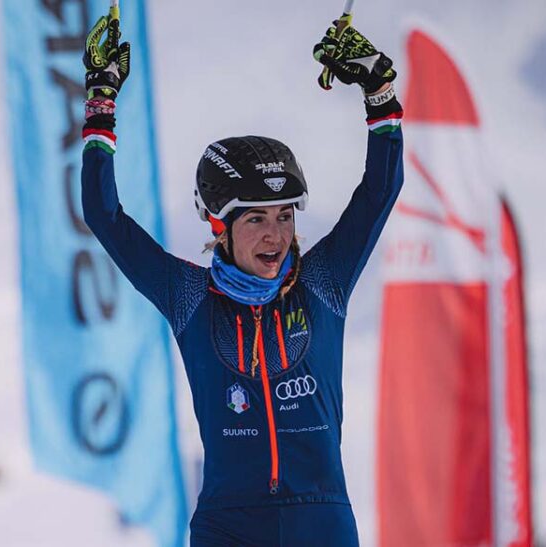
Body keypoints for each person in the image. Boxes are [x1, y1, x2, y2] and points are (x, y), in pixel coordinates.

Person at [80, 9, 403, 546]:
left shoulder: (324, 283)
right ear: (219, 226)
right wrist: (101, 102)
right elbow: (104, 215)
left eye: (284, 216)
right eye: (256, 218)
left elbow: (380, 191)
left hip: (321, 521)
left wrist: (379, 90)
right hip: (228, 525)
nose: (275, 234)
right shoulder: (188, 298)